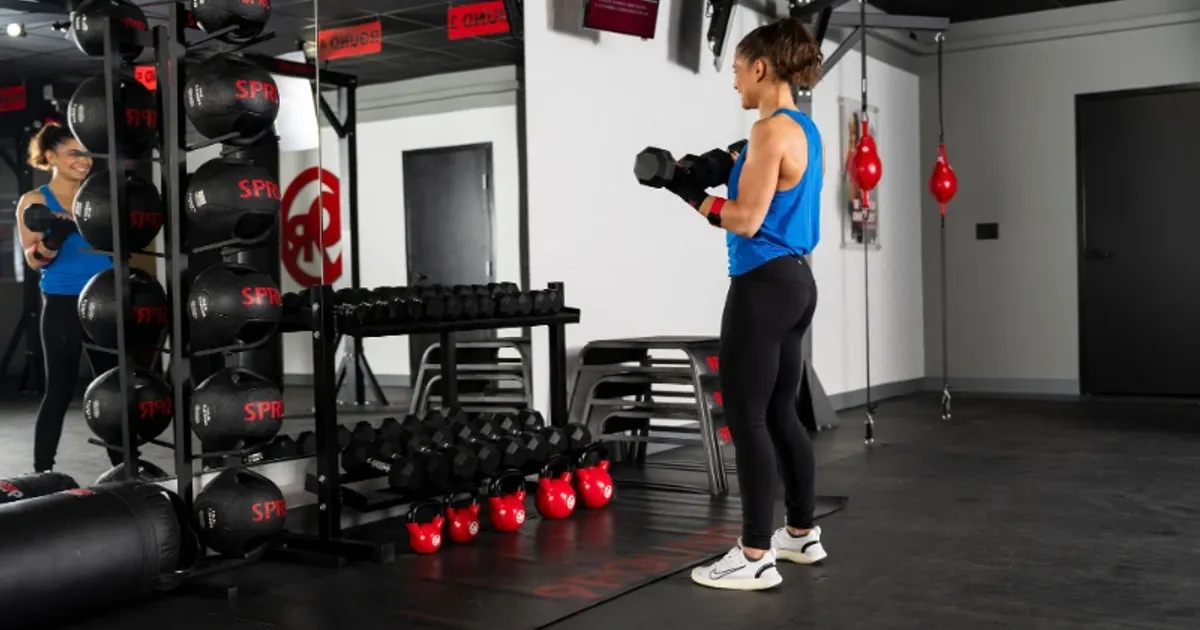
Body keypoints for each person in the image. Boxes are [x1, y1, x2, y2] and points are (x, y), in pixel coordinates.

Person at [653, 18, 827, 591]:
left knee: (747, 417)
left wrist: (687, 192)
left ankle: (754, 553)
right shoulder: (805, 130)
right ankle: (800, 533)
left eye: (736, 70)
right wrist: (704, 167)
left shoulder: (768, 131)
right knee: (780, 412)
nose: (733, 81)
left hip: (761, 284)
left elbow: (745, 220)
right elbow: (749, 172)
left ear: (760, 67)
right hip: (797, 284)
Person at [16, 123, 118, 473]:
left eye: (87, 153)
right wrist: (54, 238)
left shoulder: (99, 197)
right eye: (74, 152)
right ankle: (41, 472)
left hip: (106, 302)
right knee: (59, 390)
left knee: (114, 391)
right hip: (63, 302)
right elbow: (34, 260)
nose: (84, 160)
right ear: (51, 156)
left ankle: (125, 469)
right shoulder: (35, 201)